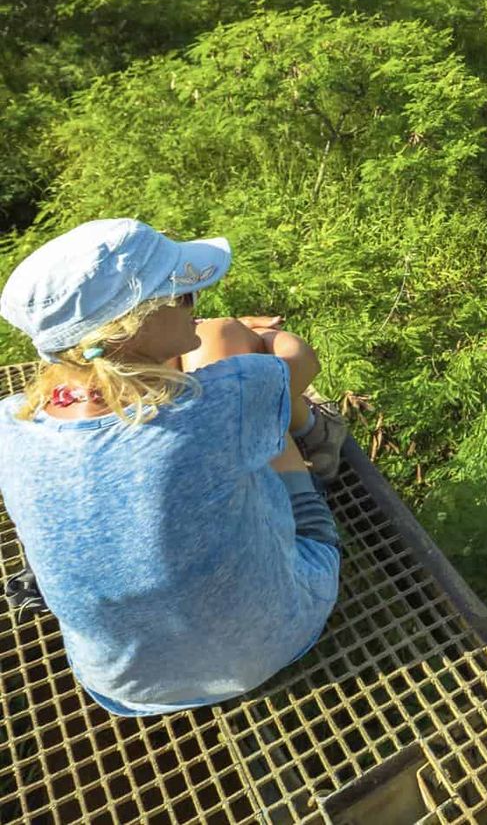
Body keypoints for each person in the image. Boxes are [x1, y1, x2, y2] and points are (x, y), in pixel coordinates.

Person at [0, 217, 347, 717]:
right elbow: (298, 357)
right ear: (134, 322)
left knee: (226, 371)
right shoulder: (227, 400)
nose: (195, 300)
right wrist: (242, 334)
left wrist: (200, 338)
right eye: (183, 294)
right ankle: (319, 435)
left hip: (126, 683)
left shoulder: (12, 426)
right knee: (257, 412)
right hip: (275, 632)